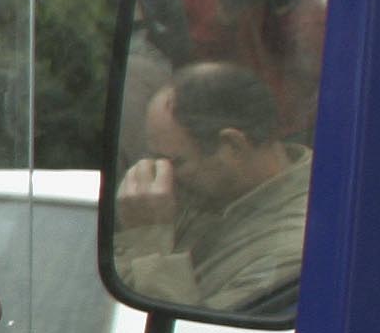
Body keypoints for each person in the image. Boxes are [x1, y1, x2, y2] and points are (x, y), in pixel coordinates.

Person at [114, 61, 314, 314]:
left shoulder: (295, 245)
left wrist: (149, 239)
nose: (162, 175)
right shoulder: (213, 191)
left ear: (233, 145)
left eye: (176, 162)